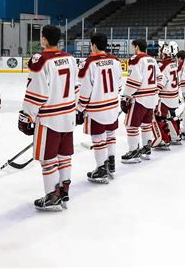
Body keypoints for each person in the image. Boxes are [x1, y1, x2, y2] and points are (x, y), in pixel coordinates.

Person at [18, 25, 77, 211]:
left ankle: (52, 195)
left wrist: (27, 116)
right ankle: (64, 189)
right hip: (68, 115)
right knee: (64, 156)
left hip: (49, 119)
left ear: (43, 39)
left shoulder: (41, 60)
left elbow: (36, 92)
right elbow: (76, 87)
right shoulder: (70, 58)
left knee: (48, 159)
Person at [77, 33, 122, 184]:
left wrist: (80, 108)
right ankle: (111, 163)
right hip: (112, 106)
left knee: (98, 138)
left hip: (97, 109)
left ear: (94, 45)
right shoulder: (115, 61)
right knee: (110, 134)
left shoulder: (89, 63)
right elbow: (120, 84)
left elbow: (84, 90)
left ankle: (101, 169)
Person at [120, 39, 161, 163]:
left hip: (140, 99)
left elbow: (134, 81)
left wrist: (125, 96)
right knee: (146, 125)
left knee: (131, 125)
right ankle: (146, 149)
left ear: (136, 47)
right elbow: (160, 78)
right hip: (151, 98)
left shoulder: (136, 59)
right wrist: (154, 91)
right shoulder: (153, 60)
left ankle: (133, 152)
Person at [152, 41, 181, 149]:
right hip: (174, 96)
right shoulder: (174, 63)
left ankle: (164, 139)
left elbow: (161, 82)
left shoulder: (163, 65)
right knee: (171, 116)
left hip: (165, 97)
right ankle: (176, 136)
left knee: (159, 117)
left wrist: (153, 92)